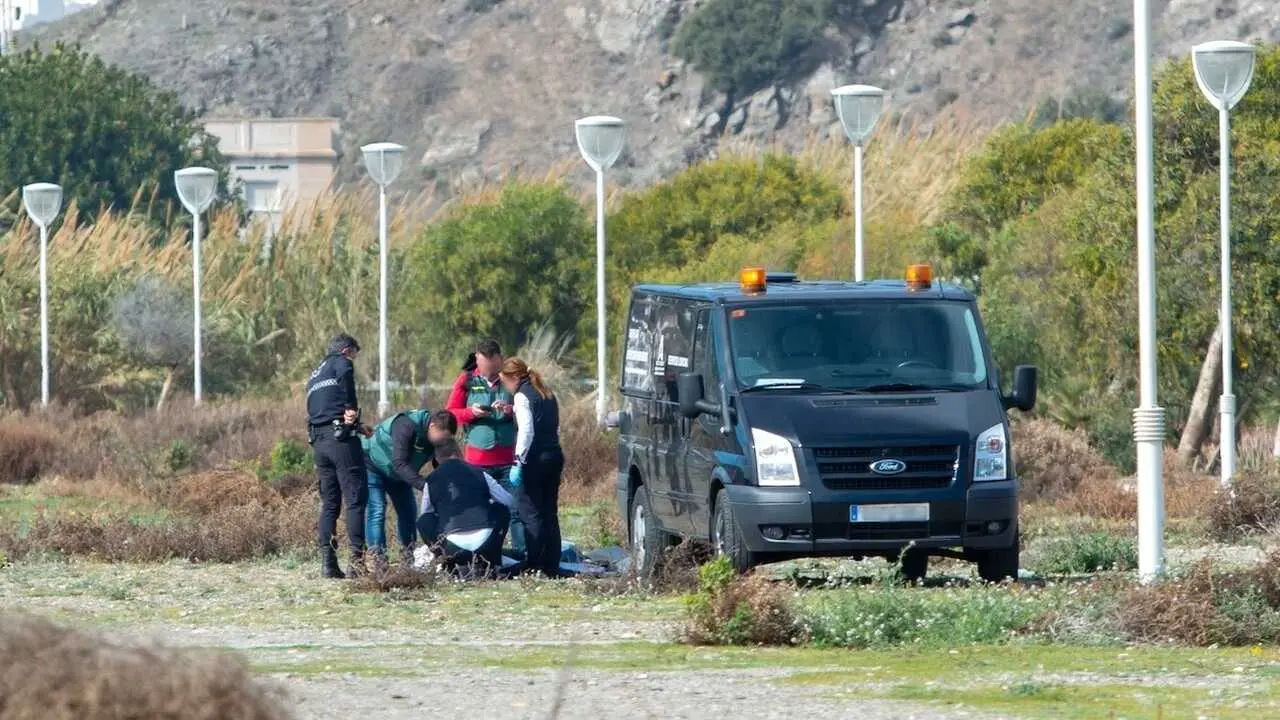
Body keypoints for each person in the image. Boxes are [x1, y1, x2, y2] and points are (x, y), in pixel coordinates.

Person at [446, 339, 524, 555]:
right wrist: (471, 412)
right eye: (484, 367)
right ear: (477, 360)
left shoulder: (510, 378)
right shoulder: (467, 380)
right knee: (479, 511)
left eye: (493, 368)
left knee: (515, 510)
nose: (489, 373)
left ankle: (521, 554)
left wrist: (510, 410)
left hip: (508, 461)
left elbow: (527, 410)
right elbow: (450, 414)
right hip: (477, 463)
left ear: (500, 359)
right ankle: (483, 555)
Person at [305, 333, 371, 579]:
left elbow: (325, 409)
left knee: (330, 503)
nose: (353, 359)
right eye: (354, 354)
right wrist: (351, 408)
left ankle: (328, 564)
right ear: (346, 350)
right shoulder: (341, 363)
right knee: (355, 499)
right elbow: (345, 380)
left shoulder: (316, 374)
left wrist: (358, 425)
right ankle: (357, 563)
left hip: (320, 442)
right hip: (341, 442)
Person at [362, 409, 458, 572]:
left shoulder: (436, 437)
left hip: (400, 473)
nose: (443, 441)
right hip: (373, 464)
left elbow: (442, 463)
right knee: (377, 510)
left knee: (409, 513)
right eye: (442, 437)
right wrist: (425, 486)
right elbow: (399, 463)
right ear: (432, 426)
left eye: (446, 439)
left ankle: (408, 556)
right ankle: (377, 558)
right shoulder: (405, 425)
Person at [500, 357, 565, 578]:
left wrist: (518, 462)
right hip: (554, 455)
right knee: (549, 511)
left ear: (515, 378)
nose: (506, 388)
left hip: (534, 459)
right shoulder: (547, 392)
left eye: (505, 382)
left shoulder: (522, 395)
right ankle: (552, 564)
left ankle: (535, 564)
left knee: (531, 512)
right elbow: (555, 427)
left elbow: (526, 431)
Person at [416, 437, 516, 575]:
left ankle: (448, 564)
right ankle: (493, 561)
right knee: (501, 509)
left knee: (424, 521)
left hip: (453, 548)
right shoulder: (479, 472)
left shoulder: (431, 480)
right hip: (486, 544)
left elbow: (425, 514)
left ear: (436, 458)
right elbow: (508, 501)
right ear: (459, 452)